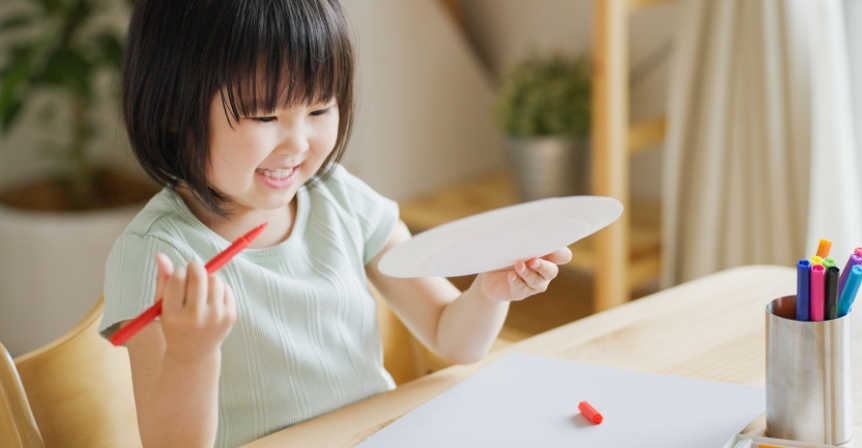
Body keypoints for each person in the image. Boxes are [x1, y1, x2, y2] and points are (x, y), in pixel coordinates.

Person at [99, 0, 571, 447]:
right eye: (265, 115)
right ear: (177, 112)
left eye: (320, 109)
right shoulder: (155, 254)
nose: (298, 143)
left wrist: (489, 292)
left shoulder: (340, 198)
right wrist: (191, 355)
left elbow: (452, 335)